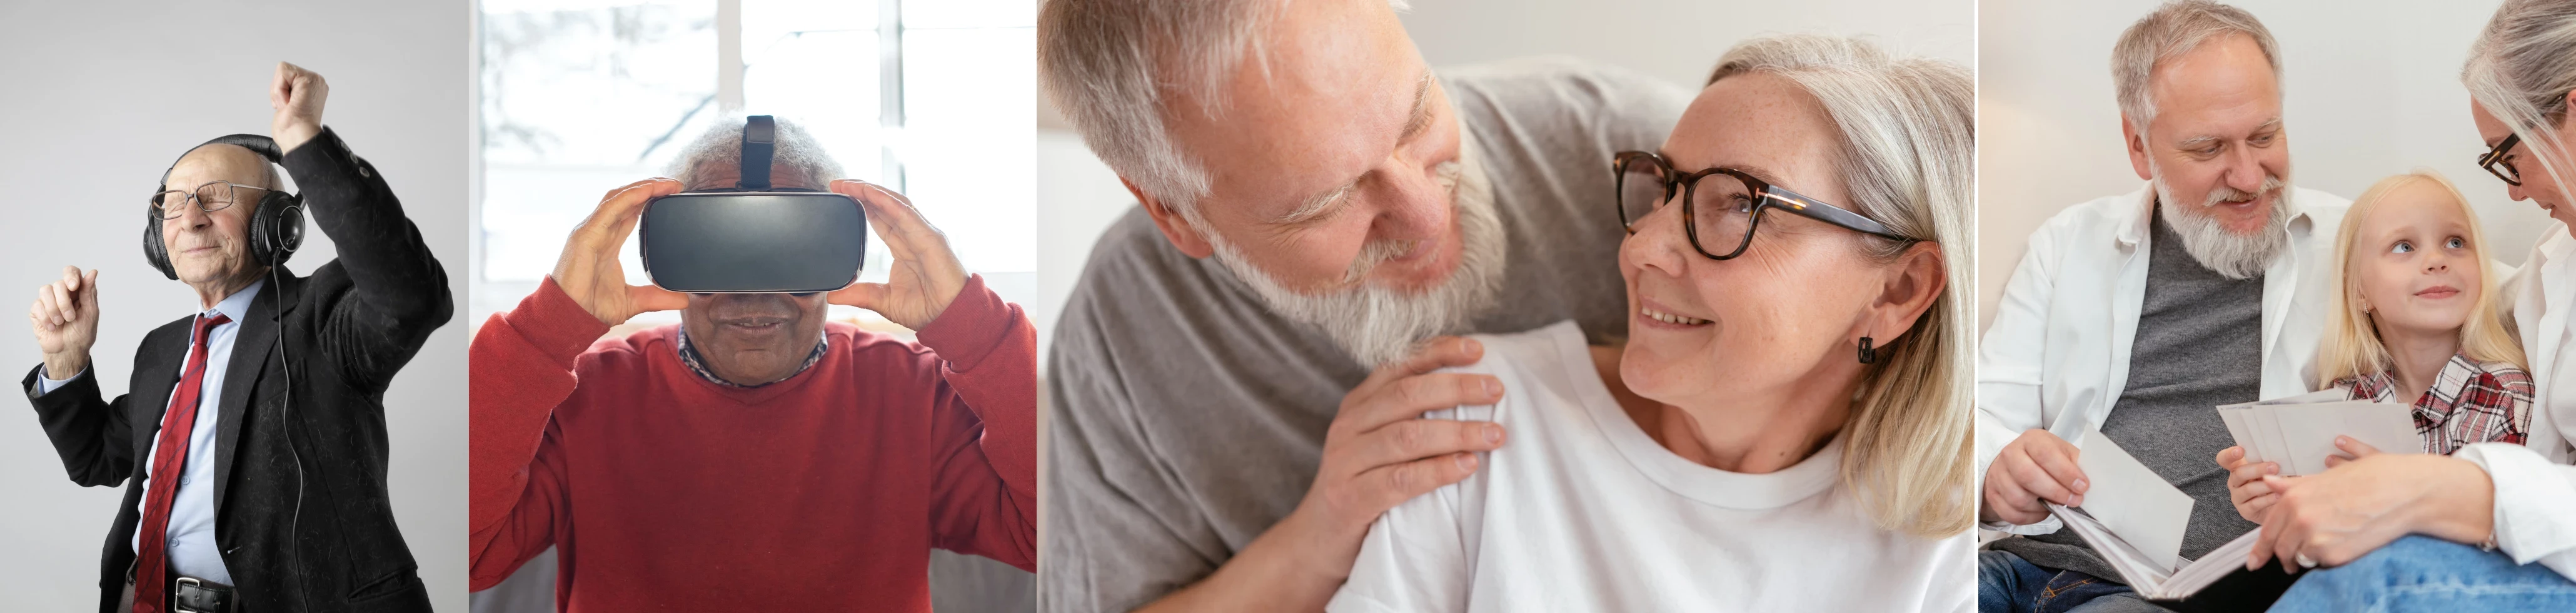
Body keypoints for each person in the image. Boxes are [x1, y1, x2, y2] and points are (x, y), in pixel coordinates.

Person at [1035, 0, 1688, 610]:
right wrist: (1314, 542)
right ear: (1173, 213)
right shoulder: (1123, 332)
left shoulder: (1649, 166)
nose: (1428, 217)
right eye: (1326, 202)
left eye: (1418, 116)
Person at [1326, 34, 1975, 612]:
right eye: (1665, 188)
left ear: (1897, 289)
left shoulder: (1941, 542)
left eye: (1739, 205)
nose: (1639, 248)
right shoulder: (1478, 414)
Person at [2253, 0, 2576, 609]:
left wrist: (2433, 488)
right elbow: (2445, 318)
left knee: (2382, 582)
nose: (2515, 190)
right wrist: (2300, 464)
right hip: (2574, 569)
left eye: (2506, 157)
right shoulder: (2557, 262)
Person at [464, 118, 1035, 610]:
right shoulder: (583, 395)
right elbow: (463, 551)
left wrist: (975, 328)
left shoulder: (914, 394)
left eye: (792, 246)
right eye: (717, 246)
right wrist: (543, 333)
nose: (754, 292)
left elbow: (1048, 536)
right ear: (666, 253)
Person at [23, 62, 451, 612]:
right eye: (173, 204)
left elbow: (413, 295)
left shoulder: (323, 319)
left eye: (216, 195)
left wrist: (305, 140)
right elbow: (97, 462)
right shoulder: (162, 349)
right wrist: (67, 361)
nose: (191, 218)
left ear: (276, 223)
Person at [1973, 1, 2353, 611]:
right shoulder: (2066, 243)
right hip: (2023, 557)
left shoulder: (2359, 244)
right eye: (2208, 149)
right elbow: (1985, 418)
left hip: (2168, 594)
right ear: (2139, 148)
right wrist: (1996, 475)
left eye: (2264, 135)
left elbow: (2494, 296)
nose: (2250, 176)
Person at [2218, 171, 2534, 527]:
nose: (2436, 260)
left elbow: (2501, 535)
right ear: (2359, 291)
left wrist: (2390, 498)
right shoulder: (2344, 399)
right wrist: (2278, 507)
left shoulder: (2505, 395)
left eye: (2456, 243)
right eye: (2404, 246)